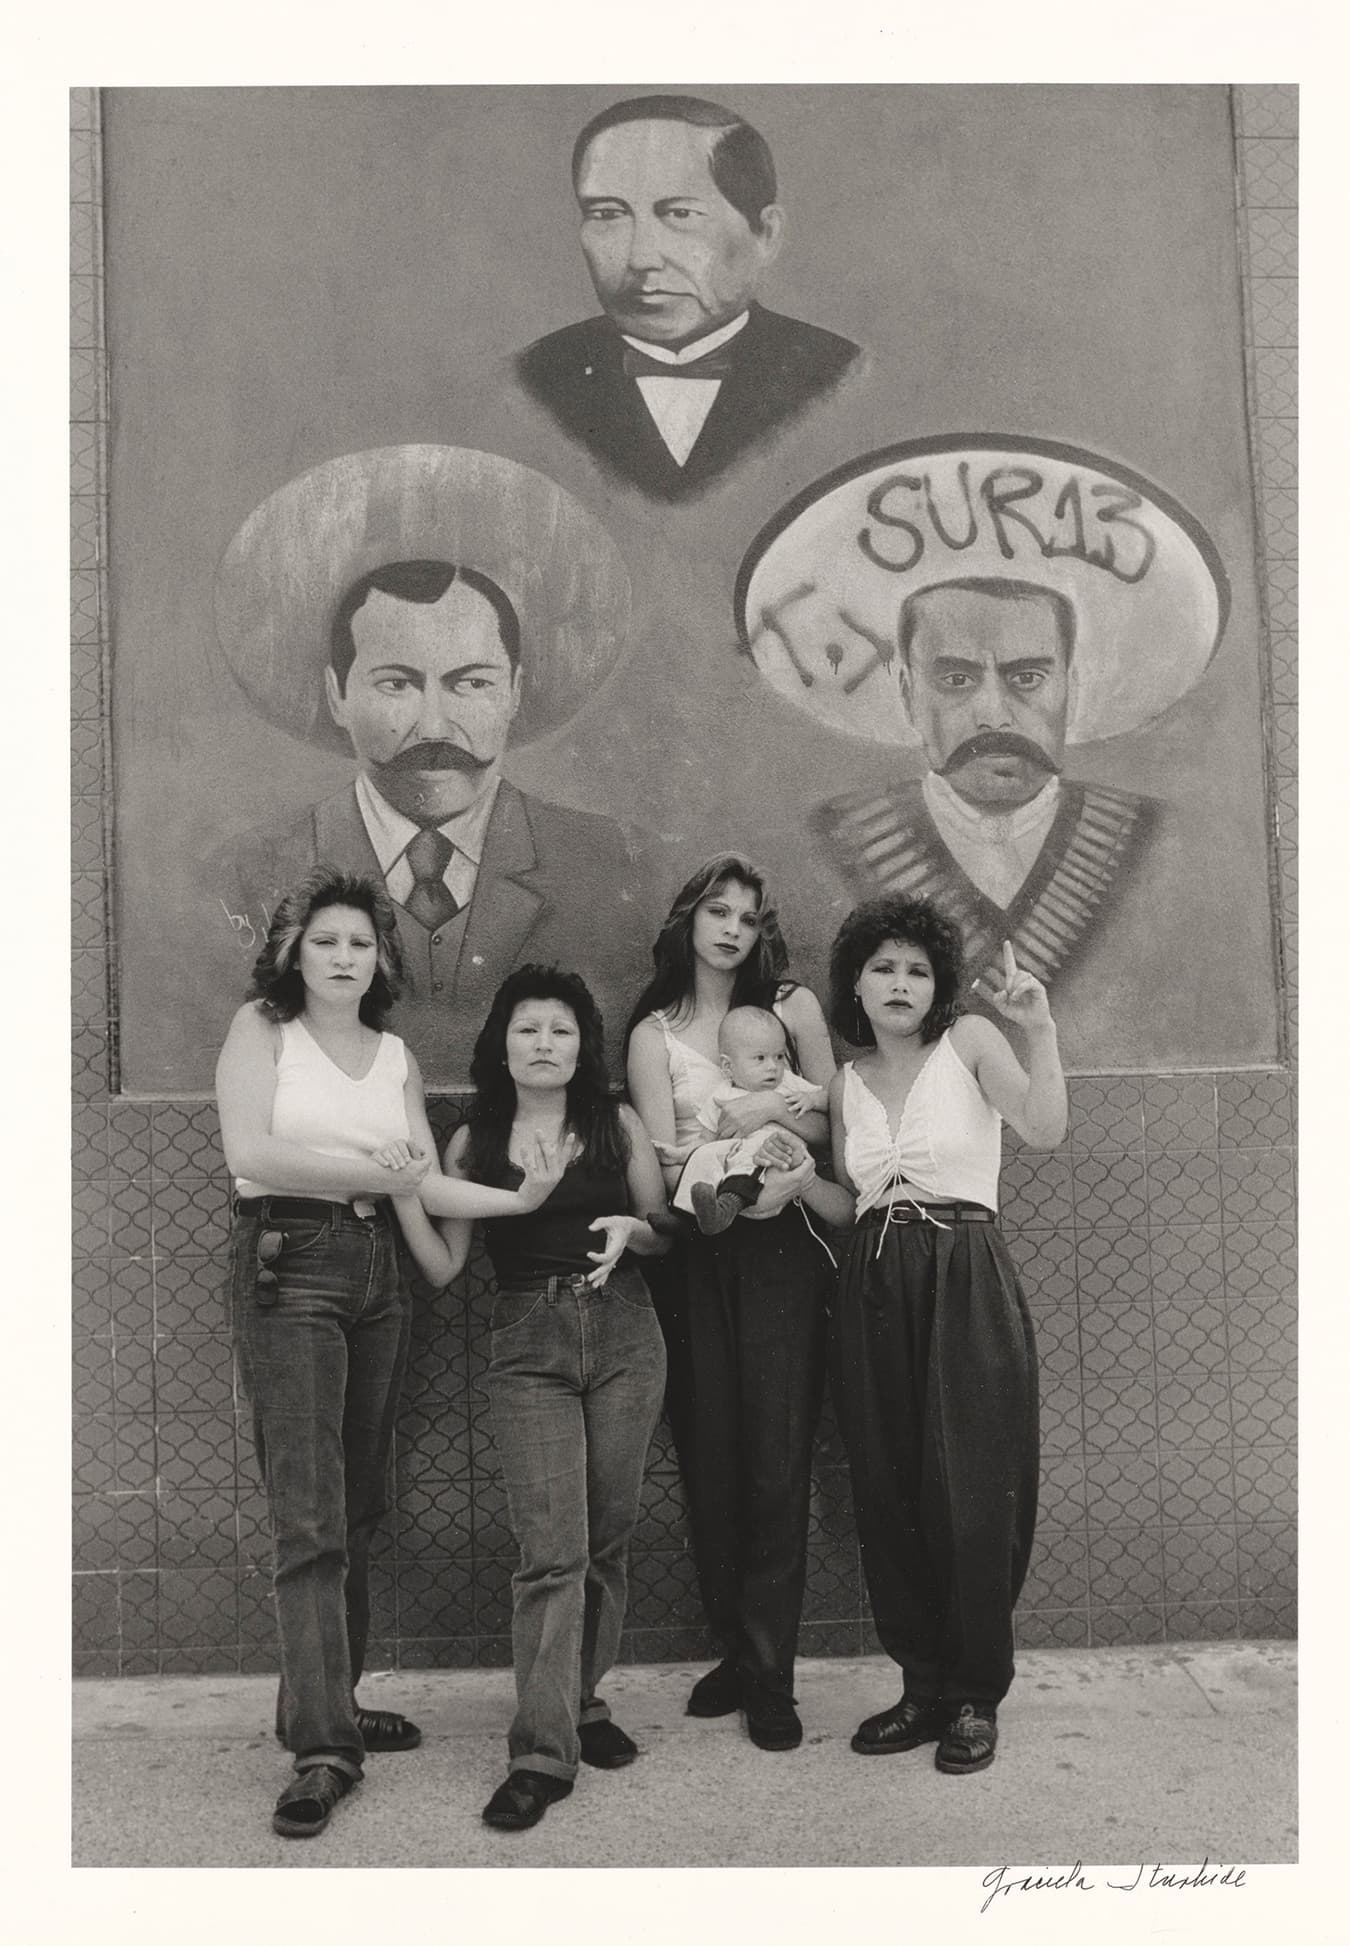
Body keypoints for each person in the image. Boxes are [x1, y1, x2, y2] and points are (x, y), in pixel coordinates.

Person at [216, 868, 563, 1840]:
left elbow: (424, 1183)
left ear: (380, 957)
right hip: (290, 1257)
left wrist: (519, 1201)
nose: (341, 956)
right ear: (294, 950)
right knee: (310, 1511)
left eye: (359, 942)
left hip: (377, 1270)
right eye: (324, 940)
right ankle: (323, 1745)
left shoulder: (394, 1052)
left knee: (360, 1501)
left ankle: (334, 1695)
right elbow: (251, 1145)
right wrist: (373, 1170)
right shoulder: (262, 1028)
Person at [794, 896, 1067, 1775]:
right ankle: (921, 1686)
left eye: (916, 969)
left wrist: (1041, 1029)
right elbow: (851, 1204)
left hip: (964, 1270)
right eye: (884, 968)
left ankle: (975, 1696)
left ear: (938, 984)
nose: (901, 983)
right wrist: (799, 1177)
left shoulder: (973, 1045)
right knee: (889, 1484)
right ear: (858, 987)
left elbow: (1045, 1129)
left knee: (973, 1489)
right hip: (872, 1280)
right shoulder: (845, 1084)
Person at [401, 965, 671, 1833]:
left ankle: (583, 1704)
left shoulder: (615, 1123)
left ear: (582, 1045)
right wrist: (403, 1190)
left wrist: (637, 1232)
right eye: (528, 1029)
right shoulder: (474, 1142)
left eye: (561, 1029)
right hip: (528, 1346)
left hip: (627, 1333)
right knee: (552, 1551)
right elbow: (444, 1267)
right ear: (501, 1044)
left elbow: (663, 1229)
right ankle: (540, 1754)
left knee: (609, 1538)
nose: (544, 1044)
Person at [222, 557, 645, 1079]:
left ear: (513, 691)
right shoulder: (245, 871)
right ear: (338, 696)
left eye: (470, 684)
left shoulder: (610, 864)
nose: (434, 727)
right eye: (397, 685)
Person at [626, 854, 835, 1751]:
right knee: (710, 1458)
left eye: (748, 917)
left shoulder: (790, 1010)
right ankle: (738, 1648)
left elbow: (839, 1122)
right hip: (697, 1255)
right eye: (717, 910)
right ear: (687, 919)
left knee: (774, 1458)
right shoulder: (652, 1031)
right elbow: (660, 1160)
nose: (731, 930)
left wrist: (770, 1123)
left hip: (784, 1248)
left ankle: (773, 1678)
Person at [812, 576, 1154, 992]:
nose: (994, 714)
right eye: (956, 679)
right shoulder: (833, 836)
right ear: (909, 697)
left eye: (1027, 677)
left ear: (1072, 691)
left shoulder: (1149, 836)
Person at [516, 94, 862, 500]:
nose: (642, 258)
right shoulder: (533, 376)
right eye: (608, 214)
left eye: (679, 214)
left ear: (765, 234)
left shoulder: (835, 372)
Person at [673, 1005, 825, 1236]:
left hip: (772, 1156)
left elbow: (830, 1098)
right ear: (728, 1066)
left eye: (780, 1056)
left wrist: (811, 1099)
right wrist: (682, 1153)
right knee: (703, 1157)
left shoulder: (788, 1084)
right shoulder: (721, 1095)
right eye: (760, 1058)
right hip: (733, 1154)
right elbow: (706, 1137)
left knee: (752, 1157)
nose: (773, 1066)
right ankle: (680, 1217)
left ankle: (724, 1210)